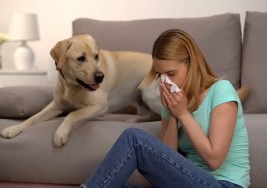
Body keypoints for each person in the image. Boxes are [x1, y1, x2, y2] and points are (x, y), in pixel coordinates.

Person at [80, 29, 250, 188]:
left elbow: (215, 159)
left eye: (171, 74)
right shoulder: (174, 102)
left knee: (134, 138)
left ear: (192, 64)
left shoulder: (221, 90)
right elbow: (167, 161)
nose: (165, 82)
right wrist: (172, 113)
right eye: (160, 75)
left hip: (223, 184)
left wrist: (183, 114)